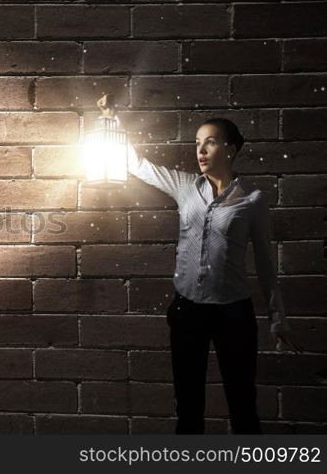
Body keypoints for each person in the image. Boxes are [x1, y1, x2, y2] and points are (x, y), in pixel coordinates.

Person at [125, 118, 301, 434]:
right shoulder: (185, 187)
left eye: (210, 142)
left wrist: (278, 317)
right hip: (187, 311)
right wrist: (110, 121)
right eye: (197, 143)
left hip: (233, 314)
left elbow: (264, 263)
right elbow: (138, 164)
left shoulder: (252, 201)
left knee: (243, 407)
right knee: (188, 409)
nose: (201, 150)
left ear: (230, 150)